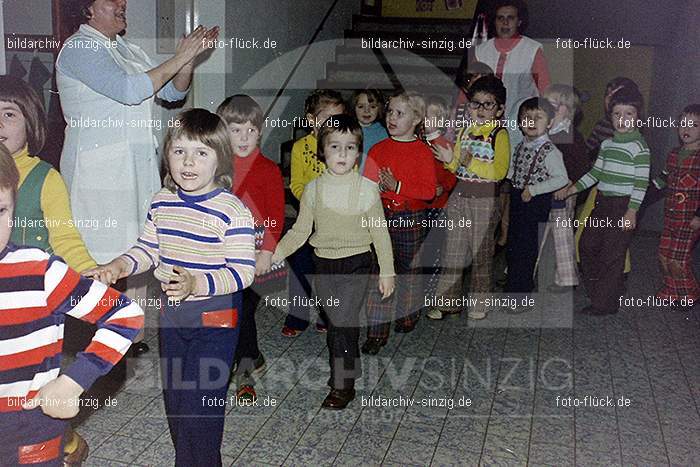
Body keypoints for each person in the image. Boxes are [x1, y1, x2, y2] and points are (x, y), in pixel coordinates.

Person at [87, 109, 255, 466]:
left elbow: (243, 273)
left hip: (216, 319)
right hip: (173, 317)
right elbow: (149, 249)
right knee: (177, 400)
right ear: (167, 155)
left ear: (220, 159)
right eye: (179, 151)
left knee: (201, 405)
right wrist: (117, 265)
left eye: (201, 153)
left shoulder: (233, 211)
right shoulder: (161, 202)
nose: (188, 162)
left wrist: (197, 283)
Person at [56, 0, 218, 356]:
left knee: (139, 247)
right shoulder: (79, 49)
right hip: (97, 174)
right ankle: (93, 340)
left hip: (137, 169)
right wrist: (178, 58)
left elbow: (173, 93)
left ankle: (132, 334)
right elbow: (130, 90)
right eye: (111, 0)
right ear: (87, 9)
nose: (122, 3)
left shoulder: (128, 49)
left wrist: (187, 60)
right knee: (101, 253)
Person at [0, 142, 144, 467]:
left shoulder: (40, 271)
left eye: (0, 211)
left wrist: (74, 381)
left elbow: (124, 314)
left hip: (31, 429)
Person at [272, 115, 395, 409]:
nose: (342, 154)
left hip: (357, 263)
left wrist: (387, 271)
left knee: (340, 324)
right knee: (340, 324)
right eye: (335, 146)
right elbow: (301, 230)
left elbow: (380, 232)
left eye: (350, 147)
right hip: (323, 265)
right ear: (322, 151)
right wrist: (274, 254)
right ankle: (351, 364)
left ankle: (342, 386)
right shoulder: (313, 190)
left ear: (358, 152)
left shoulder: (367, 189)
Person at [217, 94, 285, 402]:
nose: (244, 138)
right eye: (235, 130)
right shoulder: (215, 166)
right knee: (228, 313)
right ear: (222, 131)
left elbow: (276, 215)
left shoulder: (268, 169)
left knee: (242, 313)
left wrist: (267, 252)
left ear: (260, 131)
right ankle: (251, 356)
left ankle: (244, 371)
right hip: (222, 253)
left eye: (251, 130)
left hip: (255, 253)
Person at [362, 91, 437, 354]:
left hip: (411, 219)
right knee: (379, 274)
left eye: (400, 113)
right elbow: (367, 184)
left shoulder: (423, 152)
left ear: (417, 119)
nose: (391, 117)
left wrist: (398, 186)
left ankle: (407, 314)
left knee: (410, 273)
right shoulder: (378, 148)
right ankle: (376, 333)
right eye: (390, 111)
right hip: (380, 218)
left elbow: (429, 191)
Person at [431, 76, 510, 320]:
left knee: (481, 255)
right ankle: (448, 302)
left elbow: (499, 172)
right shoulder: (464, 131)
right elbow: (456, 167)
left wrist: (469, 162)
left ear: (499, 109)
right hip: (460, 197)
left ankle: (479, 303)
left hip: (485, 202)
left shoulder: (500, 134)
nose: (481, 110)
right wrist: (448, 160)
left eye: (489, 104)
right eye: (476, 104)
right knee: (452, 252)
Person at [566, 87, 650, 316]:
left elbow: (641, 184)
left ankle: (605, 303)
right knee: (586, 246)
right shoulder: (607, 145)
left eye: (629, 114)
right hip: (601, 205)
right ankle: (605, 290)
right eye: (617, 114)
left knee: (613, 255)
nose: (622, 119)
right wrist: (573, 188)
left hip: (622, 207)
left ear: (637, 117)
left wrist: (632, 212)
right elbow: (595, 175)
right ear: (610, 117)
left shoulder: (639, 148)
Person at [284, 89, 345, 337]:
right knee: (300, 267)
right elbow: (296, 184)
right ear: (311, 119)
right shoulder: (300, 147)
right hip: (306, 220)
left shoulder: (343, 145)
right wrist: (312, 202)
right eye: (328, 118)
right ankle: (297, 317)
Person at [505, 97, 568, 296]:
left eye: (537, 117)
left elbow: (561, 179)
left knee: (526, 247)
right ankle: (513, 282)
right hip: (518, 198)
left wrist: (534, 189)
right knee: (514, 243)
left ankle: (521, 290)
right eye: (526, 117)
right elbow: (513, 170)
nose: (531, 122)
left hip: (534, 203)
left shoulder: (549, 151)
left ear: (549, 122)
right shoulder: (521, 145)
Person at [535, 84, 591, 292]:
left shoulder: (571, 136)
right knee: (535, 233)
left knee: (561, 237)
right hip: (542, 190)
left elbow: (581, 166)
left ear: (568, 110)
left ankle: (566, 278)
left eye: (555, 105)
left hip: (563, 193)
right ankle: (524, 273)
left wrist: (569, 185)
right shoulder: (543, 132)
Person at [474, 0, 550, 151]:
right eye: (500, 18)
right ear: (494, 21)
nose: (505, 22)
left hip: (520, 124)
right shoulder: (480, 51)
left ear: (519, 21)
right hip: (486, 123)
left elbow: (545, 90)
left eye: (511, 18)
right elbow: (471, 89)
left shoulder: (532, 50)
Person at [656, 104, 700, 308]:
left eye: (694, 125)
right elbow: (663, 179)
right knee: (664, 256)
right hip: (670, 216)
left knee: (677, 260)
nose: (686, 129)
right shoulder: (674, 154)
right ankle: (672, 290)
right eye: (683, 124)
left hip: (690, 219)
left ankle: (689, 294)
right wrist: (642, 195)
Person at [422, 96, 457, 316]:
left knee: (435, 250)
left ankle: (433, 295)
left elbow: (452, 174)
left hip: (438, 205)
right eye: (425, 114)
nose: (427, 119)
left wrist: (442, 188)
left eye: (433, 116)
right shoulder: (418, 142)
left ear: (443, 120)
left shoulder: (444, 145)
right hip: (419, 204)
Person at [352, 89, 388, 173]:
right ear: (354, 108)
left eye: (372, 107)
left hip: (373, 179)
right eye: (361, 106)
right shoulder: (349, 129)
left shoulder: (383, 133)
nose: (367, 111)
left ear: (379, 108)